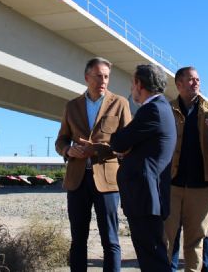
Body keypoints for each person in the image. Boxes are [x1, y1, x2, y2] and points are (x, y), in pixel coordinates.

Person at [55, 57, 132, 272]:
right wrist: (68, 150)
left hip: (107, 182)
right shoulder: (71, 106)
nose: (103, 80)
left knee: (110, 239)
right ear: (87, 77)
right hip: (77, 180)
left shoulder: (120, 103)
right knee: (78, 239)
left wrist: (97, 149)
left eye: (106, 76)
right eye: (99, 76)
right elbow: (61, 140)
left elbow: (128, 143)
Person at [164, 66, 208, 271]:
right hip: (171, 185)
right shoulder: (167, 109)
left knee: (195, 241)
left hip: (202, 186)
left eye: (198, 79)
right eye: (191, 79)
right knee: (166, 239)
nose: (196, 83)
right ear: (179, 84)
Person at [109, 64, 177, 272]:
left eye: (132, 83)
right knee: (152, 257)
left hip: (145, 196)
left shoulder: (152, 109)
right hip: (147, 196)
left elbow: (118, 142)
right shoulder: (160, 108)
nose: (131, 88)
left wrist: (123, 145)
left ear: (139, 84)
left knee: (153, 260)